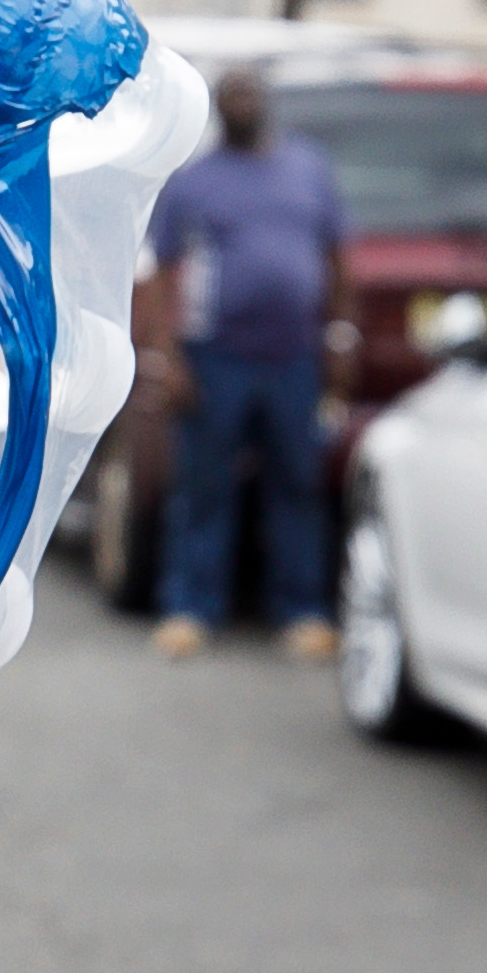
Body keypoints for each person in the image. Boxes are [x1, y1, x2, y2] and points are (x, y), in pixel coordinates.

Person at [140, 62, 353, 661]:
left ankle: (302, 611)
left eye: (250, 90)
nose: (241, 100)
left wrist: (341, 338)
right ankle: (190, 607)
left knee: (298, 483)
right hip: (215, 357)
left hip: (294, 357)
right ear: (217, 105)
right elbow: (161, 272)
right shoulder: (193, 182)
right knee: (204, 486)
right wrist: (168, 356)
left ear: (265, 100)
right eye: (230, 92)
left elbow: (338, 258)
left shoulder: (308, 169)